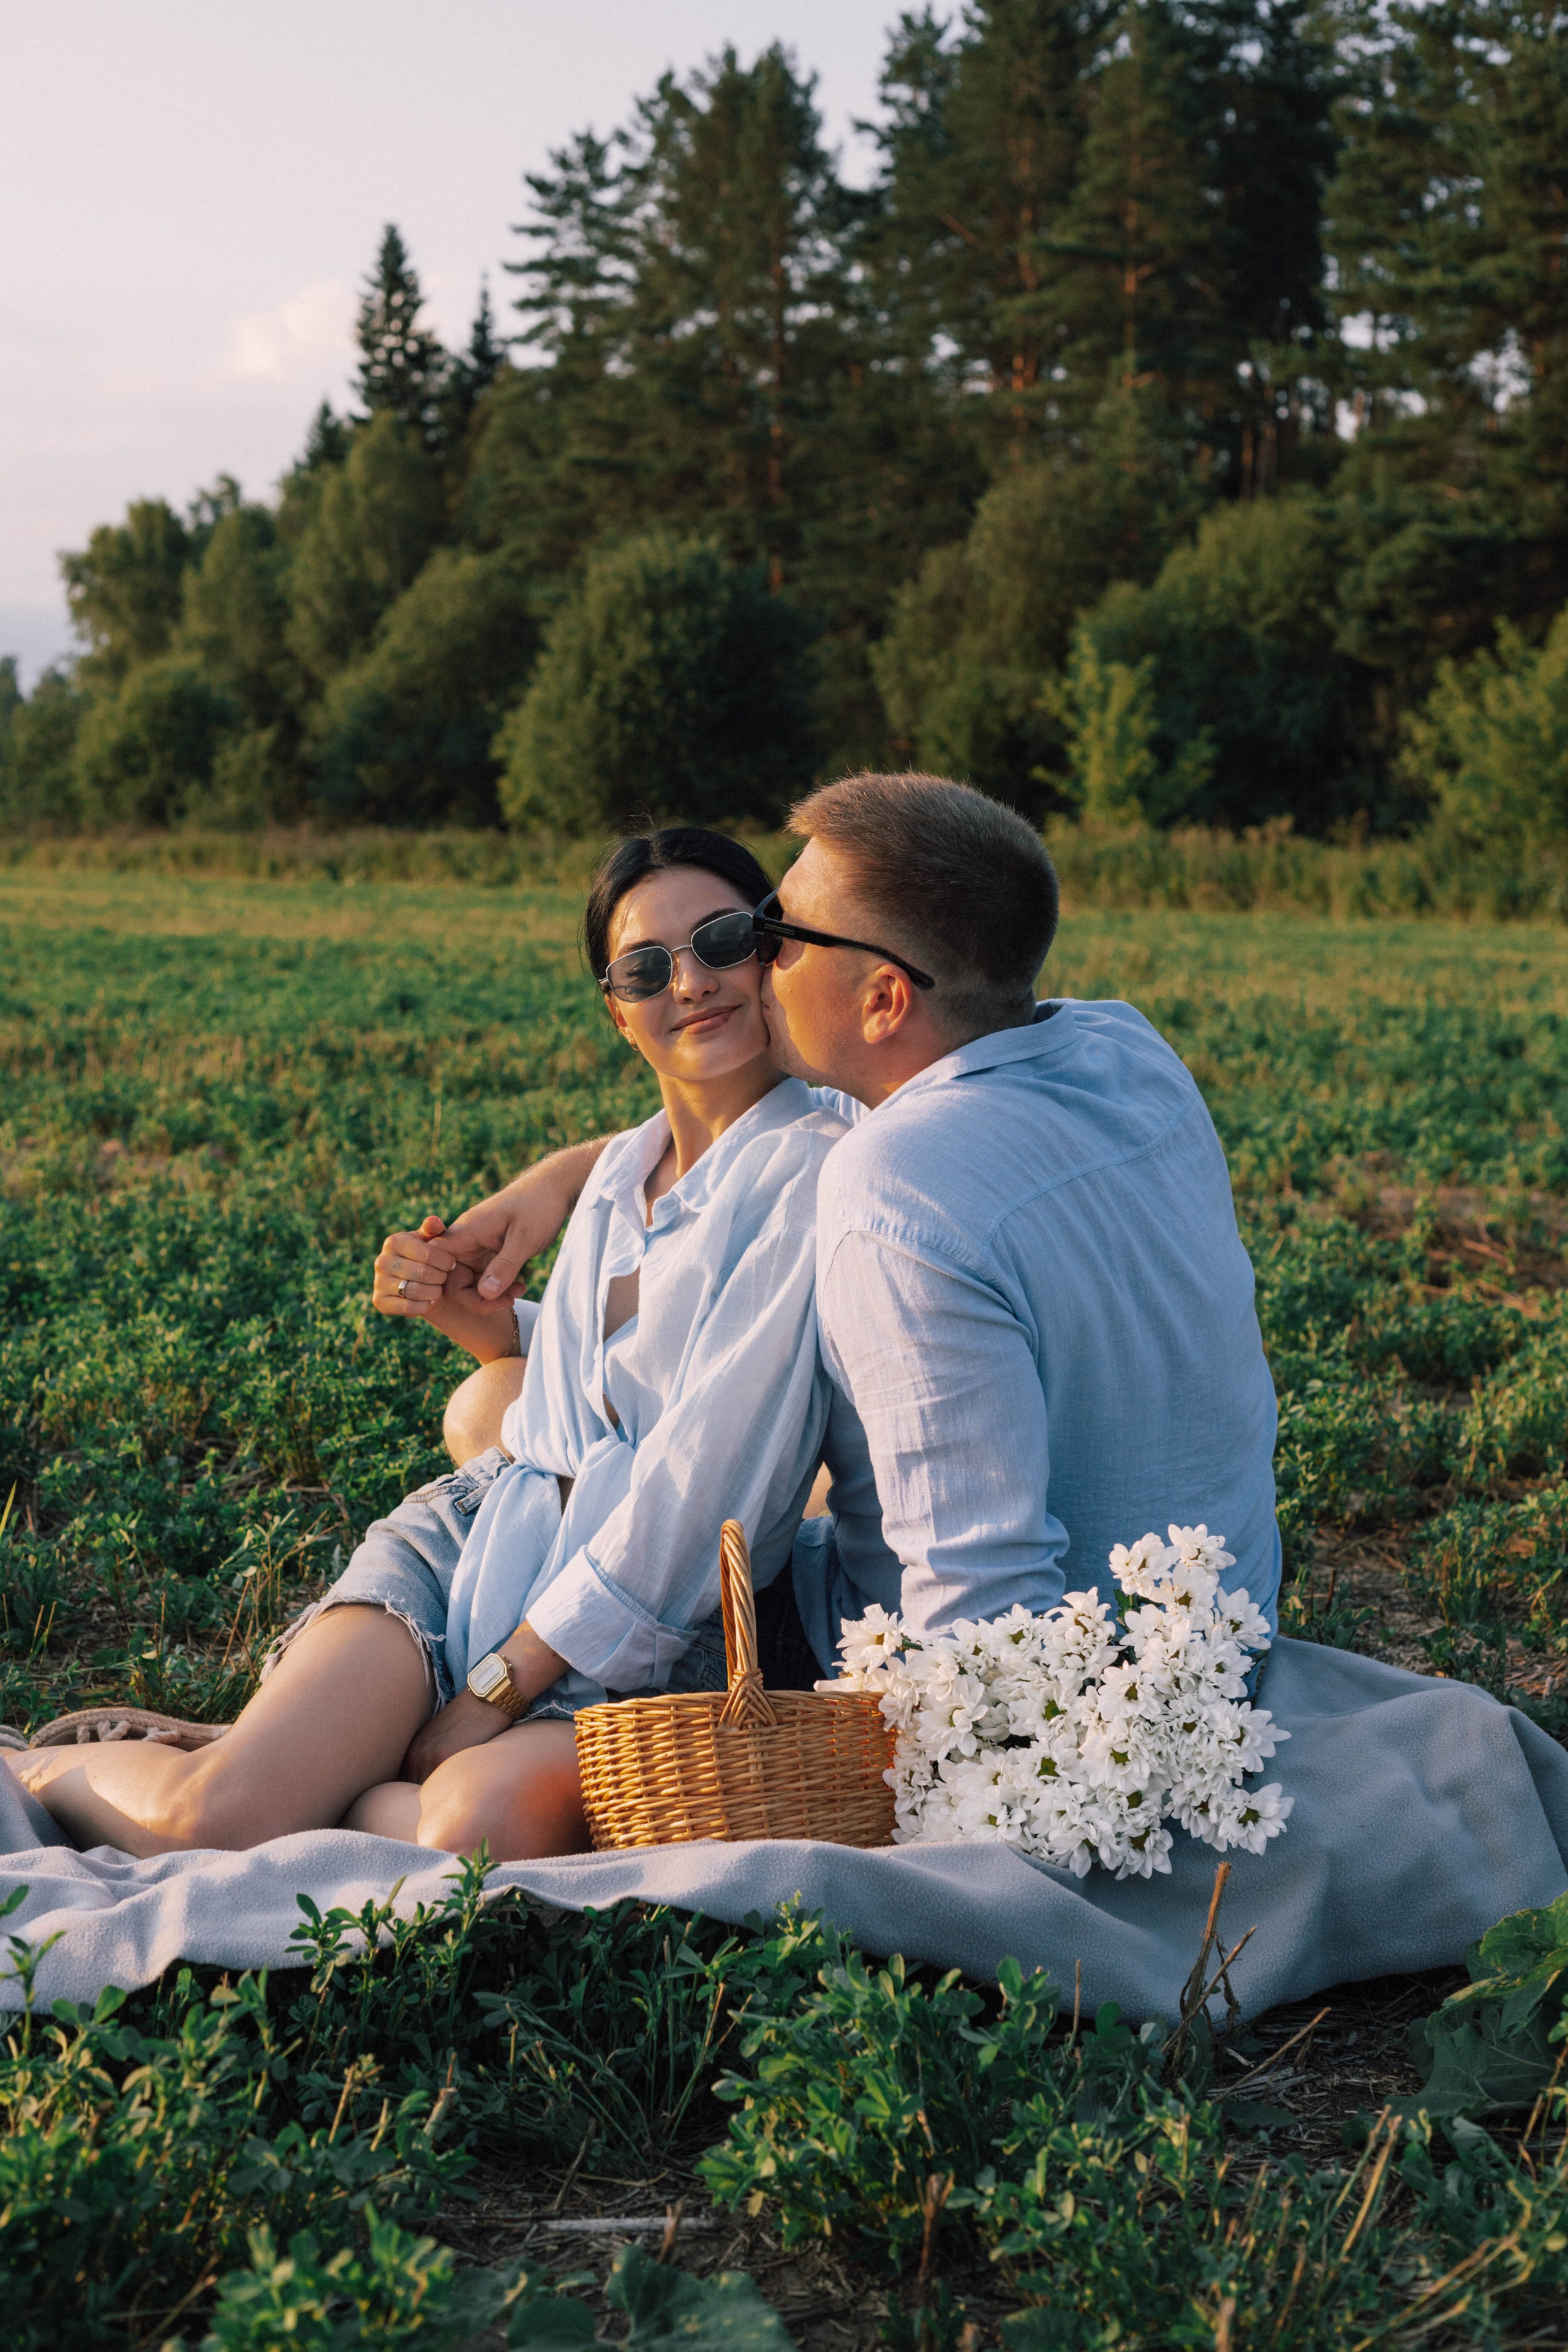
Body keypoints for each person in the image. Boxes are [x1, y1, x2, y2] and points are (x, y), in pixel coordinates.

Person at [10, 827, 882, 1860]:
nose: (689, 982)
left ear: (772, 948)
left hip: (632, 1640)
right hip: (473, 1543)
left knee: (480, 1829)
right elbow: (612, 1387)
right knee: (220, 1816)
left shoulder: (818, 1167)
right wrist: (479, 1319)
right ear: (617, 1010)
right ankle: (30, 1767)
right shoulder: (620, 1176)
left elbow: (696, 1490)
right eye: (647, 967)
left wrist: (496, 1687)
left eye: (722, 940)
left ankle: (337, 1770)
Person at [394, 773, 1282, 1675]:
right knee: (500, 1402)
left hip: (1008, 1682)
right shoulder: (1124, 1047)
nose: (745, 968)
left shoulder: (886, 1184)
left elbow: (972, 1606)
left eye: (770, 935)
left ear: (884, 1001)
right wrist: (562, 1179)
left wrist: (500, 1689)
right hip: (1216, 1624)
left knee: (516, 1428)